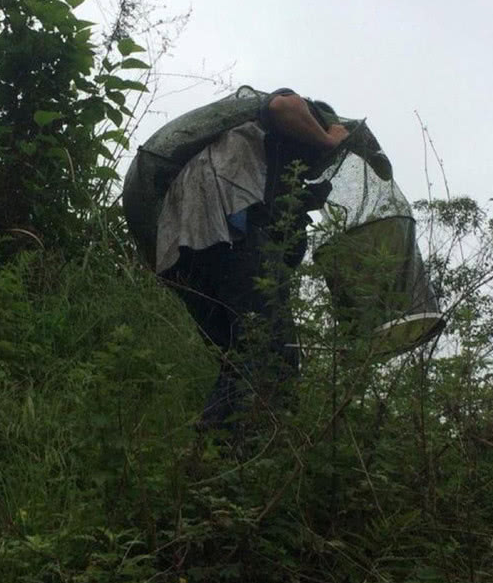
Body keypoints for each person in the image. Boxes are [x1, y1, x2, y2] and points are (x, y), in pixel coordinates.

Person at [137, 88, 350, 431]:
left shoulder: (264, 160)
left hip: (181, 251)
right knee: (272, 353)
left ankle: (209, 460)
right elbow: (284, 104)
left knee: (239, 361)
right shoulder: (286, 119)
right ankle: (240, 457)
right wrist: (329, 139)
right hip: (225, 232)